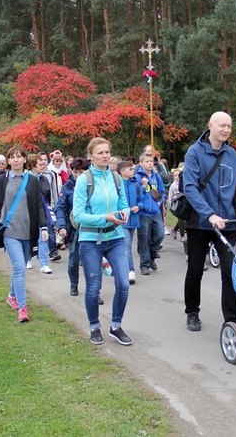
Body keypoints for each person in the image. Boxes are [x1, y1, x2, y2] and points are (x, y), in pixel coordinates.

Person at [182, 111, 236, 331]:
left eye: (229, 127)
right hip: (200, 223)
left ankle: (231, 321)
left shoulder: (232, 154)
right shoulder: (194, 152)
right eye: (222, 125)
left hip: (229, 223)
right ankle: (192, 312)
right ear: (210, 125)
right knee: (195, 270)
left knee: (230, 272)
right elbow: (190, 188)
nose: (225, 130)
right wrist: (209, 214)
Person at [72, 137, 133, 346]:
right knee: (93, 287)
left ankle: (116, 326)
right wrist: (105, 217)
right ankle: (94, 326)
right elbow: (78, 215)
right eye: (100, 152)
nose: (105, 156)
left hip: (115, 237)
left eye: (107, 152)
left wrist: (124, 214)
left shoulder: (115, 177)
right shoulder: (84, 180)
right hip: (90, 240)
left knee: (124, 283)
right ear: (91, 156)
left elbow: (124, 204)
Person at [0, 145, 49, 323]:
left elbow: (39, 206)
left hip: (29, 232)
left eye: (19, 156)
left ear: (25, 159)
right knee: (20, 268)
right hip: (10, 232)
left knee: (19, 267)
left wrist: (44, 227)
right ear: (8, 161)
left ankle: (12, 295)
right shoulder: (0, 181)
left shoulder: (32, 180)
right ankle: (22, 307)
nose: (16, 160)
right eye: (12, 157)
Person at [56, 157, 89, 296]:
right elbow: (60, 208)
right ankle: (74, 284)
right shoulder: (67, 187)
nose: (78, 175)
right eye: (76, 172)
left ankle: (93, 290)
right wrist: (62, 226)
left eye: (82, 172)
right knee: (73, 260)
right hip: (74, 228)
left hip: (90, 227)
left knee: (91, 260)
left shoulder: (92, 187)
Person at [27, 151, 60, 273]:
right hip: (29, 211)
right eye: (39, 163)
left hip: (42, 211)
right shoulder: (26, 179)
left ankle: (44, 264)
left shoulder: (45, 178)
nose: (42, 164)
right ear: (32, 165)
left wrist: (51, 208)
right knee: (30, 236)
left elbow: (49, 196)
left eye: (43, 162)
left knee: (44, 236)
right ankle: (28, 258)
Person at [135, 152, 165, 276]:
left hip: (155, 212)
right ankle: (145, 264)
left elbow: (162, 191)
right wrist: (143, 185)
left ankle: (151, 255)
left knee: (160, 235)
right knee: (144, 239)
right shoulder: (137, 177)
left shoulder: (156, 177)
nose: (150, 164)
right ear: (141, 163)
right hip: (143, 213)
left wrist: (160, 202)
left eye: (151, 161)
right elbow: (136, 194)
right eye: (147, 161)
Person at [118, 160, 142, 284]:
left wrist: (138, 206)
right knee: (126, 245)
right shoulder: (117, 184)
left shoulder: (135, 184)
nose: (133, 171)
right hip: (122, 220)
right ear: (123, 172)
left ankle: (120, 267)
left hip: (134, 219)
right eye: (130, 169)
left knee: (126, 245)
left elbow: (141, 199)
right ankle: (130, 270)